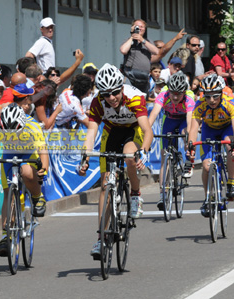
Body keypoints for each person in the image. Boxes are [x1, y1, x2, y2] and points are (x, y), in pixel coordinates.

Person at [77, 63, 153, 259]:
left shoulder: (135, 98)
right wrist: (85, 155)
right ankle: (101, 238)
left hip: (132, 130)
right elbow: (92, 131)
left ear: (121, 88)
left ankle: (135, 194)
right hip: (111, 132)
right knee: (105, 184)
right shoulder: (97, 101)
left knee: (129, 157)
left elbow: (147, 130)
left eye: (114, 93)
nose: (111, 98)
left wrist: (143, 152)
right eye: (106, 94)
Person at [0, 104, 49, 257]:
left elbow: (43, 152)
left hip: (29, 154)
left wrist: (43, 170)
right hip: (9, 155)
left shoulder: (32, 125)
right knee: (8, 194)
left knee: (25, 171)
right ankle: (6, 235)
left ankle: (38, 198)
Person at [188, 74, 234, 217]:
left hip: (226, 128)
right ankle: (207, 197)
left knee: (231, 148)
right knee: (206, 167)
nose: (211, 100)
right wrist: (191, 147)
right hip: (209, 130)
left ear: (221, 94)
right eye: (208, 96)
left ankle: (231, 182)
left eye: (215, 96)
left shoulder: (230, 103)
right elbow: (193, 129)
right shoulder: (200, 104)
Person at [148, 71, 195, 210]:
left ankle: (189, 160)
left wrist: (188, 141)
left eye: (178, 94)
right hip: (169, 119)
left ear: (184, 92)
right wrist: (146, 132)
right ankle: (163, 194)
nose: (175, 96)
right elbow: (154, 114)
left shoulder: (189, 98)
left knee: (186, 132)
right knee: (165, 157)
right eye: (172, 92)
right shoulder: (164, 94)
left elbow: (189, 121)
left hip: (183, 120)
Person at [120, 19, 159, 94]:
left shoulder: (148, 42)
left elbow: (156, 51)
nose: (140, 28)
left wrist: (142, 40)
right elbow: (123, 50)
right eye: (137, 26)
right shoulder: (128, 40)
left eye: (142, 27)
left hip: (144, 79)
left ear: (145, 29)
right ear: (132, 27)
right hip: (130, 77)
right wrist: (132, 36)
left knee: (142, 101)